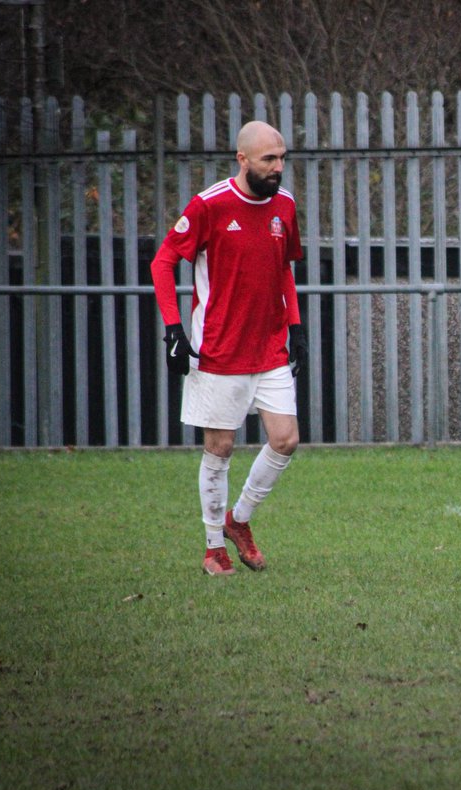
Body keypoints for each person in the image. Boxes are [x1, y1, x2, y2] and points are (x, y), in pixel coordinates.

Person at [150, 120, 307, 576]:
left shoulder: (285, 206)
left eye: (282, 158)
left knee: (286, 440)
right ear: (242, 159)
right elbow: (163, 262)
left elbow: (283, 271)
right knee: (219, 448)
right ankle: (213, 548)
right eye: (268, 160)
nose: (278, 168)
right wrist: (174, 329)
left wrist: (295, 327)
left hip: (270, 347)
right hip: (218, 350)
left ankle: (239, 521)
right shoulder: (210, 205)